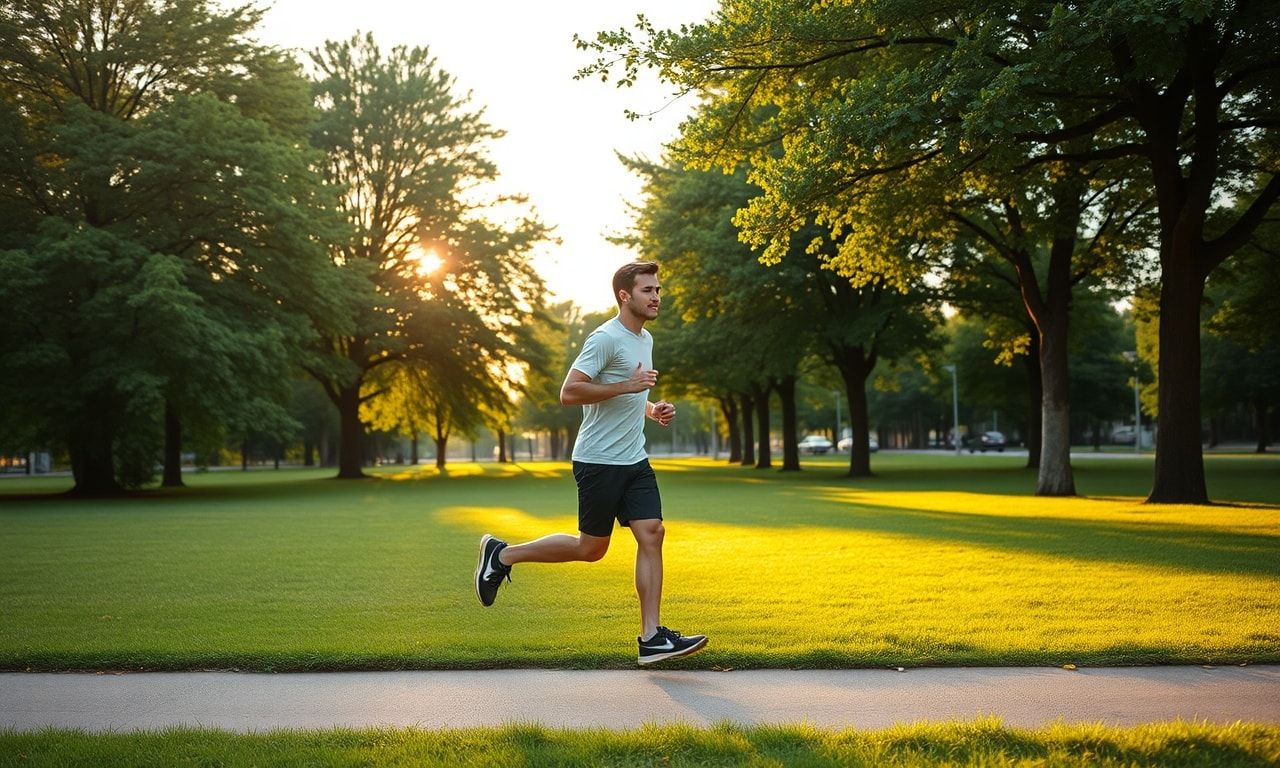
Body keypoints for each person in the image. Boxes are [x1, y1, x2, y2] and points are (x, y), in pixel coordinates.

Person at [474, 261, 707, 665]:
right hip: (598, 461)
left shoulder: (645, 338)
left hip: (634, 458)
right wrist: (628, 386)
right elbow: (569, 392)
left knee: (652, 533)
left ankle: (651, 637)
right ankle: (503, 554)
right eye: (648, 290)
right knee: (591, 548)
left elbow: (629, 395)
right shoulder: (605, 338)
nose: (656, 297)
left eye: (657, 290)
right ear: (624, 295)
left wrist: (651, 409)